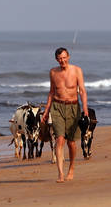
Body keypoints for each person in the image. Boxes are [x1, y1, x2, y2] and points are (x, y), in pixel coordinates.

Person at [41, 47, 89, 183]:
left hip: (73, 107)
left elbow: (82, 91)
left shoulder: (77, 70)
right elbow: (51, 92)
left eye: (64, 57)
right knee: (59, 139)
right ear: (56, 59)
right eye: (59, 58)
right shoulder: (53, 72)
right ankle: (60, 174)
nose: (62, 60)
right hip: (57, 107)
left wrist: (85, 108)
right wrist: (46, 110)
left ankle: (71, 168)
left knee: (71, 143)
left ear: (68, 57)